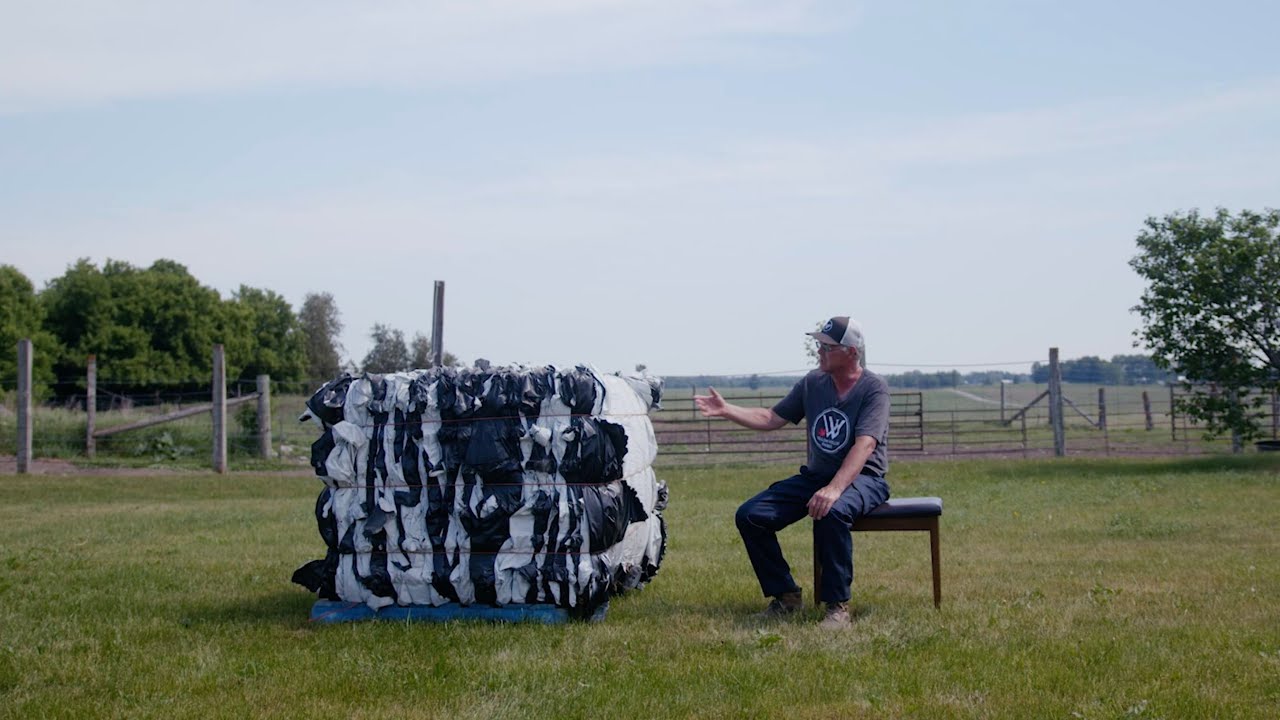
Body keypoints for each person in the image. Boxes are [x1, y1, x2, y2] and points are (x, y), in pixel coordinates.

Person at [694, 316, 890, 629]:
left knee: (833, 511)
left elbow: (865, 445)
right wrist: (727, 409)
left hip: (864, 478)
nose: (819, 352)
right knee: (751, 515)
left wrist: (835, 488)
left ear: (852, 352)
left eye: (826, 347)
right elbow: (772, 417)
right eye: (818, 345)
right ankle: (786, 597)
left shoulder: (873, 388)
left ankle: (837, 608)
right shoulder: (813, 383)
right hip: (816, 476)